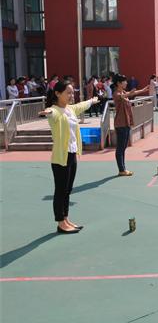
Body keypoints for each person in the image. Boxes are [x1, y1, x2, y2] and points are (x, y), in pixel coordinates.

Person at [38, 80, 98, 234]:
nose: (71, 95)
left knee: (68, 190)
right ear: (58, 93)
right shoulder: (55, 110)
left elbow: (81, 105)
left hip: (72, 154)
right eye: (68, 93)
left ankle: (66, 219)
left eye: (72, 92)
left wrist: (92, 101)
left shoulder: (70, 109)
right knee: (61, 190)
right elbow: (52, 113)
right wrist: (47, 112)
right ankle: (60, 223)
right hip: (60, 157)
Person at [112, 75, 150, 176]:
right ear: (118, 83)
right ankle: (121, 169)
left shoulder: (124, 92)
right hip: (120, 123)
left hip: (126, 123)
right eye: (124, 81)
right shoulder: (116, 93)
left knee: (124, 147)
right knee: (120, 147)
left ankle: (123, 168)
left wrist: (143, 90)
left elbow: (131, 93)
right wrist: (130, 93)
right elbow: (123, 96)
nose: (126, 83)